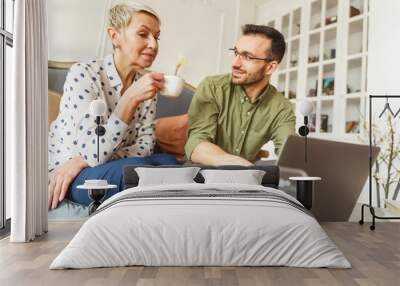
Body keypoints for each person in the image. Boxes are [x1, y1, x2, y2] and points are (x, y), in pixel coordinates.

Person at [48, 1, 177, 209]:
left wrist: (83, 159)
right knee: (137, 172)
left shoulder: (146, 85)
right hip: (71, 174)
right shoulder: (83, 74)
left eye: (156, 36)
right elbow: (94, 151)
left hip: (86, 164)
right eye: (143, 34)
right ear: (115, 36)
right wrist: (130, 99)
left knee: (169, 163)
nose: (154, 45)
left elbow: (145, 147)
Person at [185, 24, 295, 166]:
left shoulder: (282, 107)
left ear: (270, 67)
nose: (235, 63)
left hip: (244, 182)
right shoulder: (212, 87)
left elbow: (290, 157)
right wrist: (242, 167)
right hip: (199, 174)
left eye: (247, 57)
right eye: (236, 53)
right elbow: (196, 144)